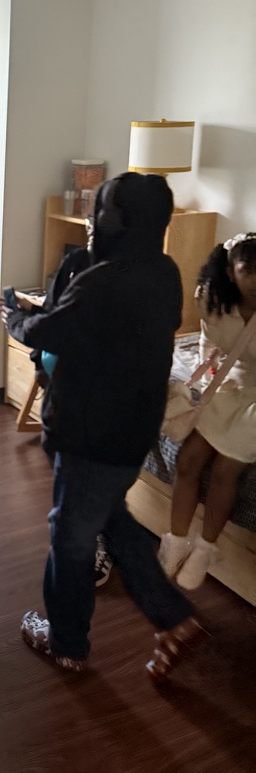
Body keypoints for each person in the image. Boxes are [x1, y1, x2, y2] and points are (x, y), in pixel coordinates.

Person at [3, 173, 208, 680]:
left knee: (70, 536)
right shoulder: (164, 271)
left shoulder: (102, 282)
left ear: (112, 221)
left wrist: (12, 315)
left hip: (88, 433)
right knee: (110, 518)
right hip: (133, 431)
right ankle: (173, 617)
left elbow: (47, 330)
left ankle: (66, 641)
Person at [2, 229, 113, 588]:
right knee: (72, 493)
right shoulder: (74, 270)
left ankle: (96, 548)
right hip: (63, 415)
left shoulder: (104, 307)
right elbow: (43, 339)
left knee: (84, 494)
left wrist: (19, 324)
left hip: (92, 416)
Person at [159, 232, 256, 590]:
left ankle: (204, 548)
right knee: (189, 459)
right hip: (229, 385)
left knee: (225, 470)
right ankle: (175, 541)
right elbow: (208, 345)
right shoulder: (212, 299)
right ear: (231, 271)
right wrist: (207, 376)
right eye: (249, 270)